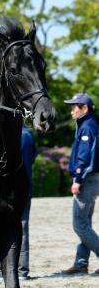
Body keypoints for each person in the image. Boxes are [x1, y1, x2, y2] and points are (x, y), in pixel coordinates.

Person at [0, 126, 37, 282]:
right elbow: (32, 158)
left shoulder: (1, 132)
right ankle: (22, 271)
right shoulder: (28, 134)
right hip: (24, 189)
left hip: (3, 190)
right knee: (22, 230)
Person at [61, 93, 99, 275]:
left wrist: (77, 179)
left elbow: (85, 157)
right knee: (86, 223)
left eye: (74, 107)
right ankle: (81, 263)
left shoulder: (87, 127)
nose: (71, 111)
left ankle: (82, 262)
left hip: (86, 180)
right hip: (91, 179)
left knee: (79, 225)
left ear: (84, 108)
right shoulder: (87, 124)